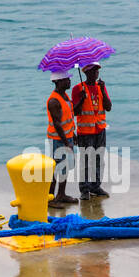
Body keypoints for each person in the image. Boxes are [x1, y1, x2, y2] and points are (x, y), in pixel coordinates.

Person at [72, 62, 111, 198]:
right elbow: (75, 112)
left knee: (99, 159)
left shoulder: (100, 86)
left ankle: (96, 186)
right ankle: (84, 189)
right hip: (85, 132)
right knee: (86, 161)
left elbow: (108, 106)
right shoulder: (78, 89)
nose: (96, 73)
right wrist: (82, 99)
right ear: (86, 72)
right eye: (94, 70)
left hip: (99, 129)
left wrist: (103, 89)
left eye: (97, 70)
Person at [46, 70, 79, 206]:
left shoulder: (64, 96)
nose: (69, 81)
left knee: (64, 167)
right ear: (59, 82)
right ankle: (50, 198)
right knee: (56, 169)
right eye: (66, 79)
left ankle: (61, 194)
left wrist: (73, 134)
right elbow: (57, 124)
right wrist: (66, 143)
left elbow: (68, 118)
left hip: (67, 137)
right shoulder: (54, 100)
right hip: (58, 140)